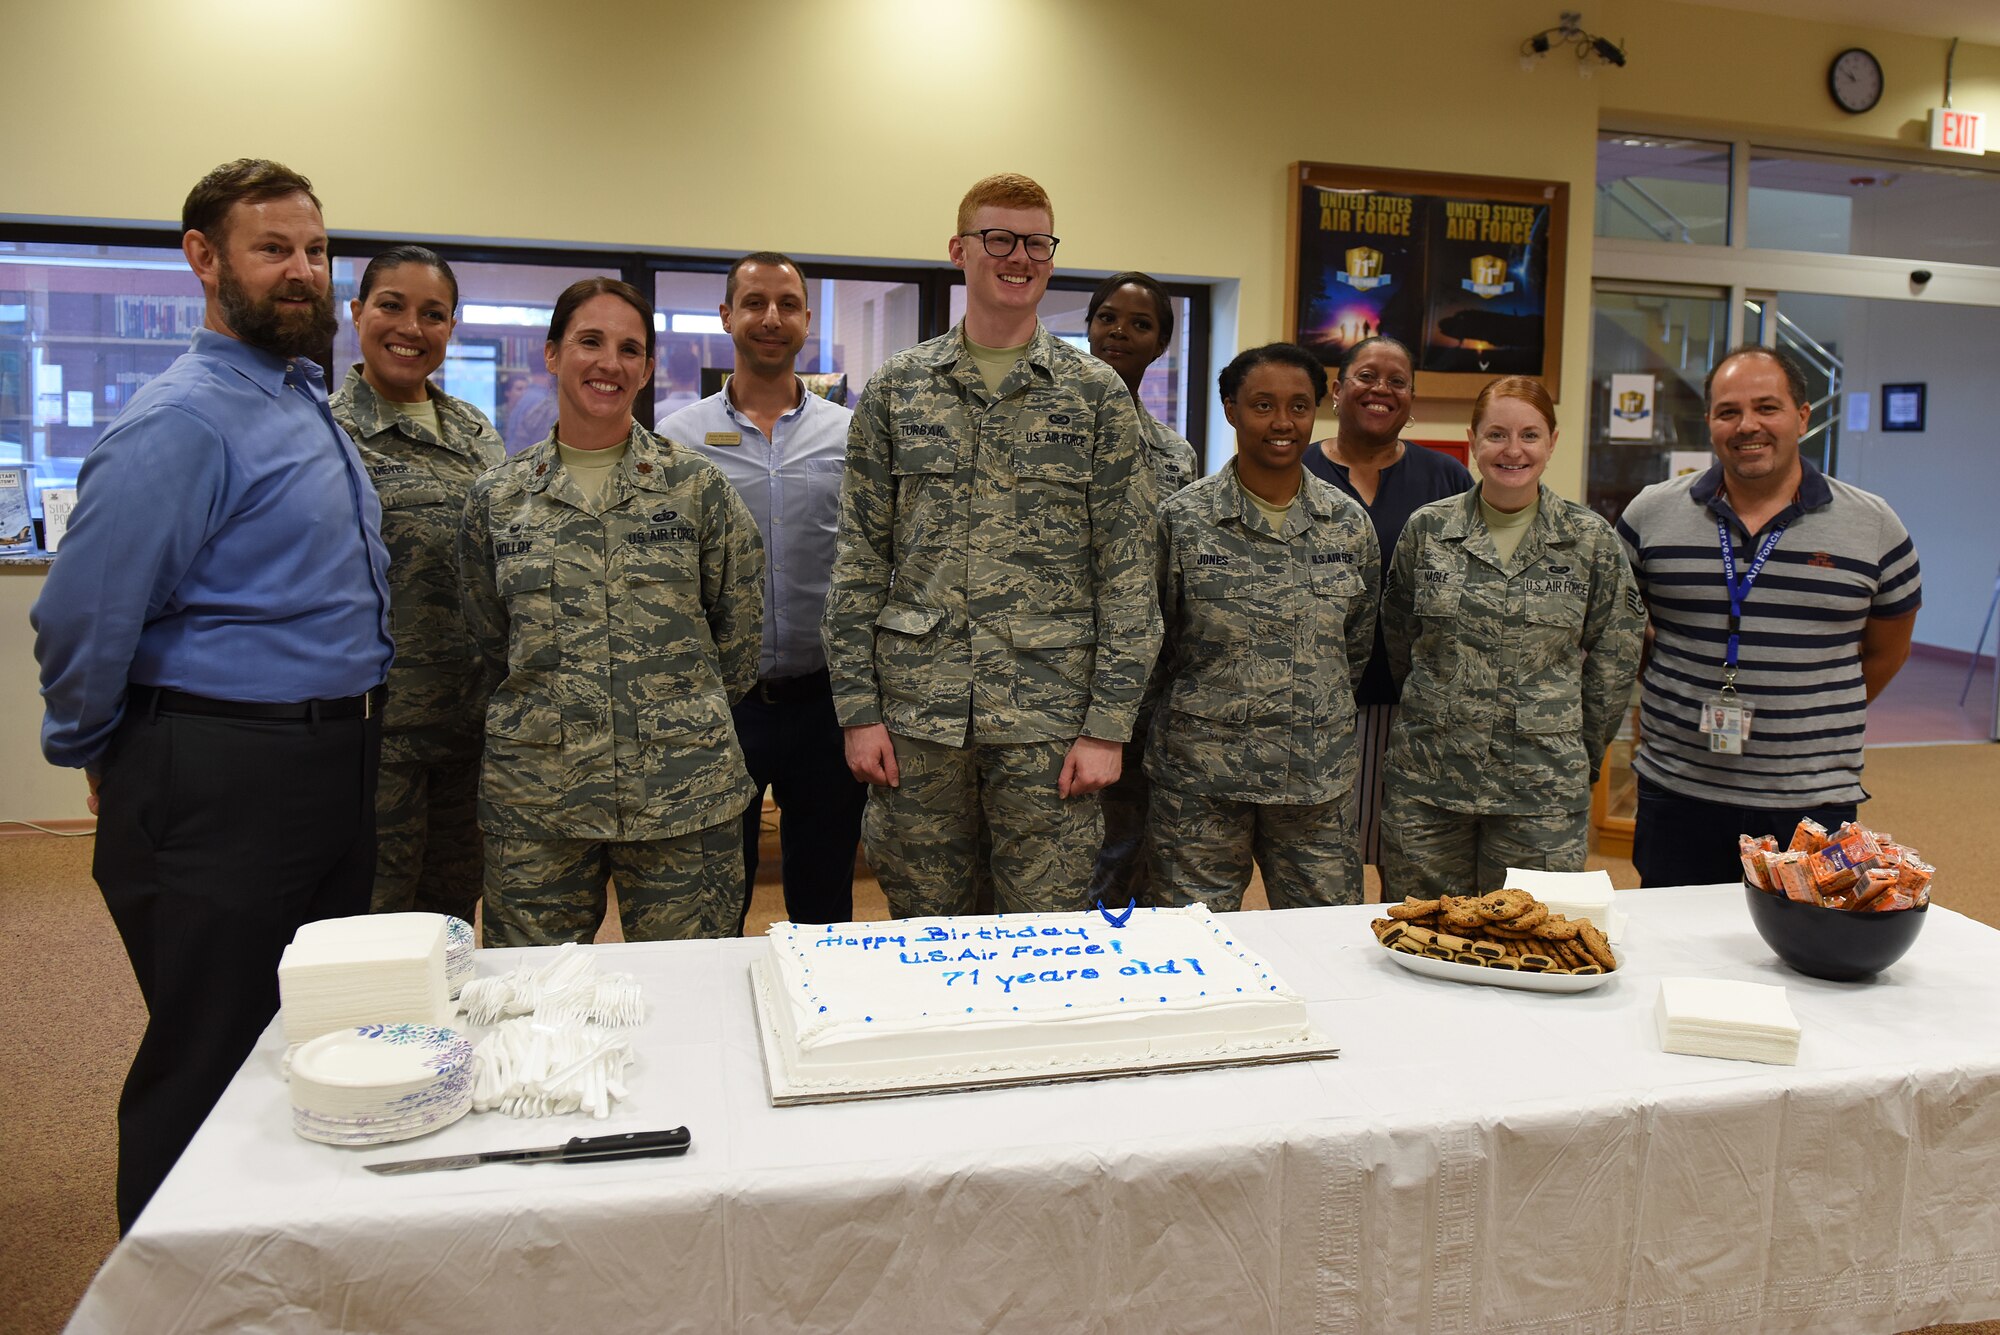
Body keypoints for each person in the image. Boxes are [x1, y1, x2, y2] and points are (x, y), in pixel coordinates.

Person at [31, 159, 392, 1230]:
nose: (301, 272)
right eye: (273, 248)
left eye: (316, 251)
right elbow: (80, 616)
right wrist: (106, 750)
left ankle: (279, 1260)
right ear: (203, 258)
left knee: (312, 1037)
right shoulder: (185, 420)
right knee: (208, 1055)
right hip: (221, 772)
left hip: (326, 765)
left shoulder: (294, 400)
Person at [822, 172, 1161, 918]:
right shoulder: (896, 390)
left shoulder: (1096, 394)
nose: (1020, 256)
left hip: (1049, 721)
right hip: (918, 720)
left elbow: (1129, 574)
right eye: (999, 238)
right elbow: (858, 562)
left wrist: (1108, 727)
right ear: (959, 250)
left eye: (1037, 241)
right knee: (925, 933)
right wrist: (857, 710)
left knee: (1044, 938)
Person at [460, 279, 764, 944]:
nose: (610, 362)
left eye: (630, 349)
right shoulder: (498, 500)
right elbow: (488, 638)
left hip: (682, 795)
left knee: (694, 1000)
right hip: (539, 801)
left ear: (649, 369)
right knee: (533, 1005)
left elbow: (738, 639)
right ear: (551, 354)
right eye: (589, 341)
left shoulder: (697, 489)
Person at [1616, 344, 1921, 887]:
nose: (1747, 426)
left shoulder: (1874, 526)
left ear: (1802, 416)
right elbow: (1624, 637)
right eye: (1728, 411)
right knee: (1676, 945)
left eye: (1767, 407)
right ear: (1709, 421)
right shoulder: (1650, 516)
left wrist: (1808, 714)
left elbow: (1888, 650)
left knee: (1802, 950)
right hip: (1680, 786)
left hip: (1811, 798)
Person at [662, 252, 867, 928]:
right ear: (726, 316)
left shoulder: (852, 436)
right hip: (724, 708)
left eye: (786, 303)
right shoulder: (678, 439)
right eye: (754, 302)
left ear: (807, 319)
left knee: (824, 902)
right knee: (715, 898)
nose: (770, 317)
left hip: (825, 705)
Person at [1379, 376, 1644, 899]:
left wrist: (1578, 752)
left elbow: (1615, 659)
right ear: (1473, 439)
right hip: (1431, 782)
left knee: (1532, 942)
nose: (1513, 450)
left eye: (1530, 435)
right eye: (1496, 434)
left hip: (1542, 791)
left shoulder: (1590, 541)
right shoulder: (1427, 530)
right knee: (1422, 936)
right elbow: (1399, 639)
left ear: (1552, 442)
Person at [1147, 342, 1377, 910]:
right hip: (1201, 779)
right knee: (1191, 944)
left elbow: (1358, 644)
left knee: (1329, 947)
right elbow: (1155, 646)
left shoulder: (1347, 523)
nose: (1282, 423)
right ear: (1230, 409)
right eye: (1262, 405)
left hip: (1314, 781)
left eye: (1299, 407)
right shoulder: (1183, 519)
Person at [330, 246, 504, 921]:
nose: (412, 327)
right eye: (391, 305)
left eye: (433, 314)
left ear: (451, 328)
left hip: (473, 732)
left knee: (454, 914)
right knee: (376, 920)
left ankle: (445, 1035)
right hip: (380, 741)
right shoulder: (328, 433)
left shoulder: (473, 429)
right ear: (357, 313)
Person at [1302, 336, 1472, 872]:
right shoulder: (1298, 468)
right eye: (1367, 376)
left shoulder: (1446, 478)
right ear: (1337, 389)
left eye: (1397, 382)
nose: (1382, 390)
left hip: (1417, 706)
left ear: (1412, 398)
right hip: (1317, 703)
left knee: (1412, 861)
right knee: (1326, 863)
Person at [1083, 270, 1200, 910]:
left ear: (1160, 345)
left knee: (1129, 835)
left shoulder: (1174, 456)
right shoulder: (1045, 432)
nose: (1120, 332)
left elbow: (1174, 571)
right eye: (1107, 317)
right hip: (1049, 669)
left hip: (1143, 679)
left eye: (1140, 324)